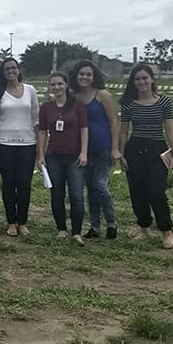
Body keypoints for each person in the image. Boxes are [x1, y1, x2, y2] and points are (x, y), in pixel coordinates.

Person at [119, 63, 173, 249]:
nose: (141, 82)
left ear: (152, 79)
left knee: (156, 193)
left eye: (145, 78)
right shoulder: (128, 103)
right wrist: (121, 154)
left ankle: (166, 231)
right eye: (137, 79)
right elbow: (123, 132)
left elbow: (169, 128)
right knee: (137, 192)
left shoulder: (164, 102)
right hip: (134, 149)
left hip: (157, 150)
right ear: (133, 82)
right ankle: (144, 228)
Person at [37, 72, 88, 246]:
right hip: (54, 156)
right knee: (56, 194)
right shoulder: (46, 108)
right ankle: (61, 229)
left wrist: (84, 152)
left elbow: (84, 129)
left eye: (60, 84)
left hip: (75, 156)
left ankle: (76, 232)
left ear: (66, 85)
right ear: (50, 87)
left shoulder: (78, 106)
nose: (57, 87)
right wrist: (41, 155)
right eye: (53, 85)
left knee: (76, 195)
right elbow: (42, 132)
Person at [70, 60, 120, 240]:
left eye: (88, 74)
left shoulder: (102, 95)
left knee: (100, 185)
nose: (85, 77)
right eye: (81, 74)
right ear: (76, 76)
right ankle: (95, 226)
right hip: (83, 149)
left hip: (103, 148)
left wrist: (115, 148)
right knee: (90, 188)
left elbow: (114, 121)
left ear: (94, 76)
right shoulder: (74, 96)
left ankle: (112, 223)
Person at [0, 58, 39, 237]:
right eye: (7, 69)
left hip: (28, 144)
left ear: (19, 70)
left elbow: (36, 117)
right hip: (3, 143)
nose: (10, 71)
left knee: (24, 184)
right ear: (3, 73)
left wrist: (40, 147)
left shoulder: (30, 91)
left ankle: (22, 222)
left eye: (13, 68)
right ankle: (11, 222)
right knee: (9, 184)